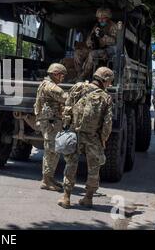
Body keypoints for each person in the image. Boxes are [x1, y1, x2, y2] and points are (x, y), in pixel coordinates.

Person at [58, 67, 114, 209]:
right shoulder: (106, 98)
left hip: (74, 134)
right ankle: (88, 198)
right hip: (93, 137)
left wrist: (66, 127)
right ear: (104, 80)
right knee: (94, 168)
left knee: (71, 164)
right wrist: (103, 139)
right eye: (109, 82)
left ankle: (66, 197)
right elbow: (107, 123)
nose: (110, 85)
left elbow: (67, 107)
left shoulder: (78, 87)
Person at [34, 63, 68, 192]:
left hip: (49, 121)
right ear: (55, 74)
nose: (63, 77)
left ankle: (50, 177)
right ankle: (46, 180)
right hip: (51, 123)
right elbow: (66, 98)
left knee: (53, 150)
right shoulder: (52, 87)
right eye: (61, 75)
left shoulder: (44, 83)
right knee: (51, 151)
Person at [79, 8, 119, 80]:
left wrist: (103, 36)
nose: (101, 20)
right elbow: (88, 41)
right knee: (78, 53)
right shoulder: (97, 26)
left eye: (103, 18)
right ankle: (78, 74)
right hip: (96, 48)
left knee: (92, 54)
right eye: (99, 18)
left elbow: (114, 42)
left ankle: (83, 76)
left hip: (108, 51)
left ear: (108, 18)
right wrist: (91, 39)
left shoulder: (113, 26)